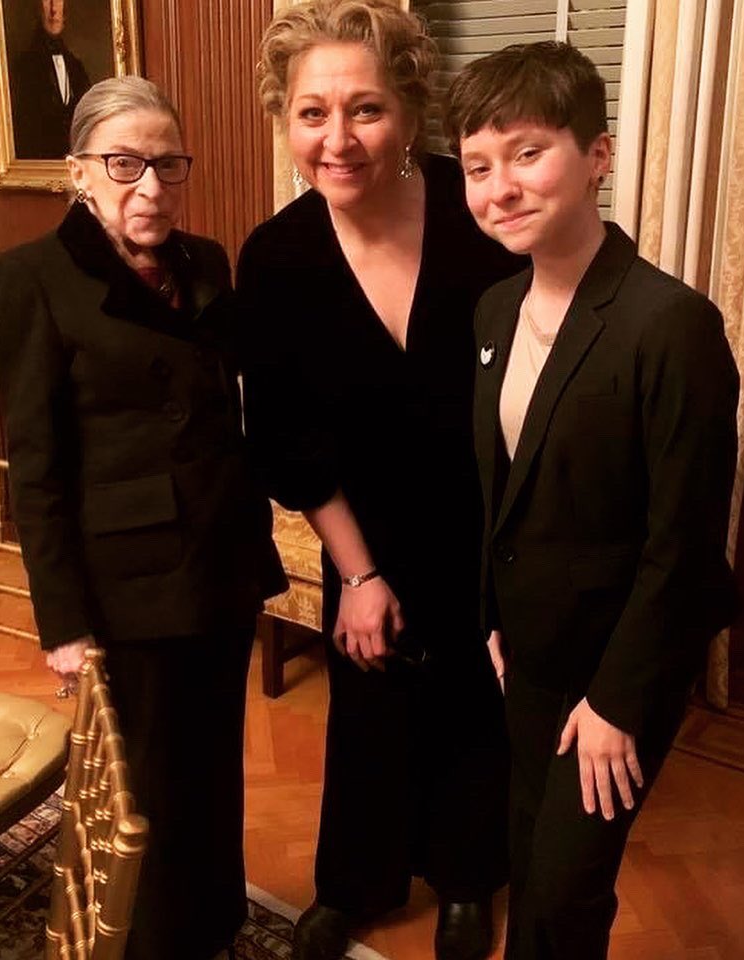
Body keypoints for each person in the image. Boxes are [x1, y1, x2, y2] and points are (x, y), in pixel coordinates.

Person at [239, 3, 525, 959]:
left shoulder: (479, 214)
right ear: (284, 118)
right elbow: (287, 438)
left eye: (365, 108)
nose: (338, 138)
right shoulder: (275, 257)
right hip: (361, 527)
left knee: (477, 703)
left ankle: (466, 878)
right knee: (367, 700)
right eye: (312, 112)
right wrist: (358, 575)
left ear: (409, 110)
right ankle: (354, 883)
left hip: (490, 524)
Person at [444, 42, 739, 959]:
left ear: (598, 155)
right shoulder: (494, 311)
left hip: (618, 669)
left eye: (527, 153)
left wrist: (616, 702)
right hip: (527, 653)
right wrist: (493, 619)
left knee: (564, 893)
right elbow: (503, 488)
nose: (501, 188)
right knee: (532, 860)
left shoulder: (672, 325)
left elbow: (684, 545)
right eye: (478, 167)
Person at [0, 76, 287, 960]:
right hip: (128, 584)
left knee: (213, 765)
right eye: (124, 164)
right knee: (147, 786)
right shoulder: (32, 278)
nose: (150, 186)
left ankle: (216, 925)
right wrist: (63, 623)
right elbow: (36, 465)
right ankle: (155, 945)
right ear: (79, 171)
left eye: (167, 163)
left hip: (220, 561)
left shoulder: (207, 261)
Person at [10, 0, 91, 158]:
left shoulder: (76, 67)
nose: (53, 9)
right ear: (37, 7)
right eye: (48, 0)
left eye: (58, 0)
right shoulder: (25, 67)